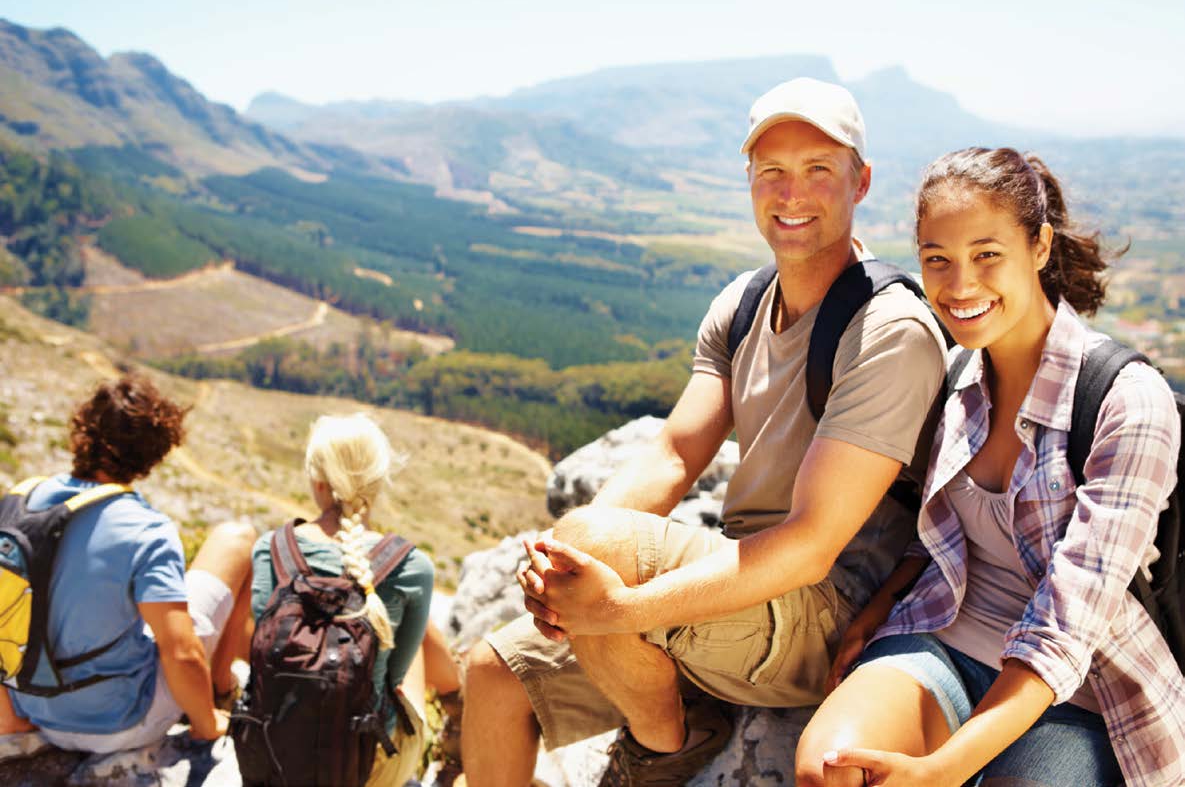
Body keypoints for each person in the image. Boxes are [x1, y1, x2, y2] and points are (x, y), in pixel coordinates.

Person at [462, 78, 949, 787]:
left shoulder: (888, 329)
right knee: (494, 673)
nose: (792, 193)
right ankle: (654, 688)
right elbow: (672, 453)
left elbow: (812, 547)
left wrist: (618, 605)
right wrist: (557, 558)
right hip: (734, 589)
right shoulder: (743, 303)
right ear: (748, 179)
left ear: (861, 181)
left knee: (589, 549)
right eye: (772, 172)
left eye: (818, 170)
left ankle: (669, 742)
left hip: (826, 613)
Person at [794, 148, 1185, 787]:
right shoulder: (954, 379)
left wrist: (944, 770)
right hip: (949, 633)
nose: (959, 286)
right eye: (937, 260)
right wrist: (883, 606)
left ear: (1039, 246)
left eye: (987, 255)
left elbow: (1065, 631)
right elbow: (952, 528)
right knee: (831, 771)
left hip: (1084, 690)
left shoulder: (1124, 401)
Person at [0, 374, 257, 751]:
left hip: (35, 712)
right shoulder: (145, 529)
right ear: (153, 453)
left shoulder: (16, 503)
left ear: (81, 431)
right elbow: (181, 652)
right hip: (120, 723)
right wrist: (205, 727)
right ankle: (222, 691)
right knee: (237, 539)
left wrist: (11, 717)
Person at [249, 412, 441, 786]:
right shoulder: (414, 566)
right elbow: (394, 678)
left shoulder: (270, 549)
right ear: (379, 482)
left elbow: (260, 649)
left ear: (316, 481)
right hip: (366, 767)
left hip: (275, 755)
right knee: (398, 642)